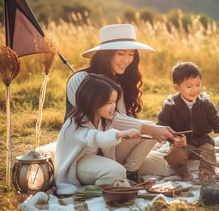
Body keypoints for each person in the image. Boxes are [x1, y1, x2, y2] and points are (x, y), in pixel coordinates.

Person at [64, 24, 176, 182]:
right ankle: (121, 173)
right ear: (106, 55)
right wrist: (151, 128)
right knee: (146, 133)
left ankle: (130, 172)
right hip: (84, 150)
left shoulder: (118, 83)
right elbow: (112, 117)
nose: (127, 60)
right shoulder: (80, 79)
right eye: (121, 54)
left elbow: (124, 121)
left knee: (169, 166)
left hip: (110, 148)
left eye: (131, 54)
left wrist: (160, 132)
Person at [55, 74, 143, 195]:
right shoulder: (75, 123)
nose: (114, 107)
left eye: (115, 102)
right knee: (117, 172)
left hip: (91, 161)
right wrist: (120, 134)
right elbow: (95, 137)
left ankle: (102, 185)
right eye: (109, 102)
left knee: (119, 171)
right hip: (75, 164)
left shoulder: (103, 119)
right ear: (93, 101)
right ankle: (90, 191)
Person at [156, 62, 219, 182]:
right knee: (174, 156)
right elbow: (161, 126)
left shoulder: (205, 104)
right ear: (177, 88)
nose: (195, 90)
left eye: (198, 85)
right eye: (189, 86)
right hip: (182, 144)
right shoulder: (171, 105)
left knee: (209, 152)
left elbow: (216, 122)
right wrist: (173, 139)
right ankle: (183, 171)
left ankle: (206, 173)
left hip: (202, 141)